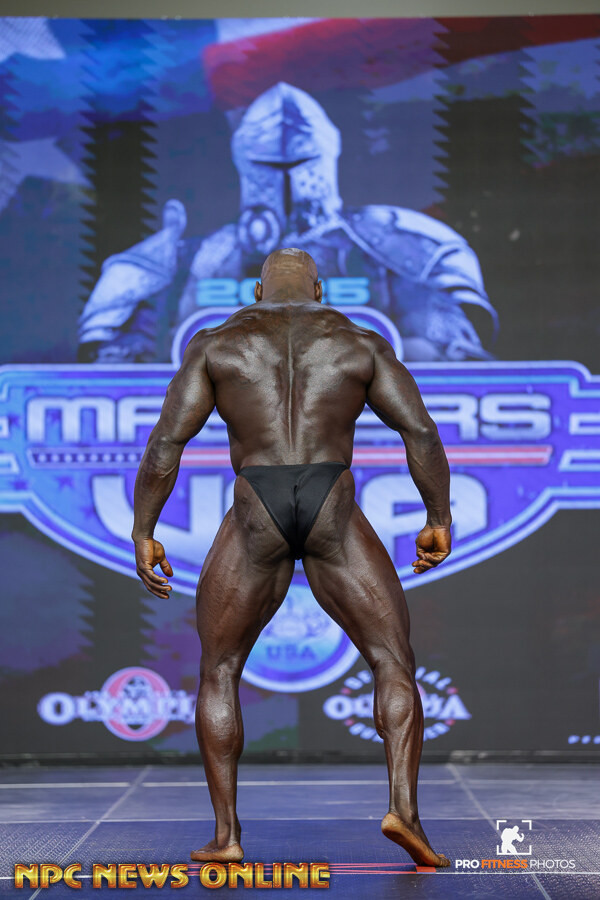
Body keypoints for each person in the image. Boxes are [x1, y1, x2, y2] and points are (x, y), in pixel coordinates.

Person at [132, 247, 452, 868]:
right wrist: (437, 518)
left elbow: (167, 442)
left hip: (258, 503)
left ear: (256, 291)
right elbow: (420, 431)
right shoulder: (359, 342)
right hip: (332, 502)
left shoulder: (216, 344)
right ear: (320, 289)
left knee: (220, 669)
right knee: (392, 660)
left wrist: (145, 529)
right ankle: (404, 812)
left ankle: (226, 836)